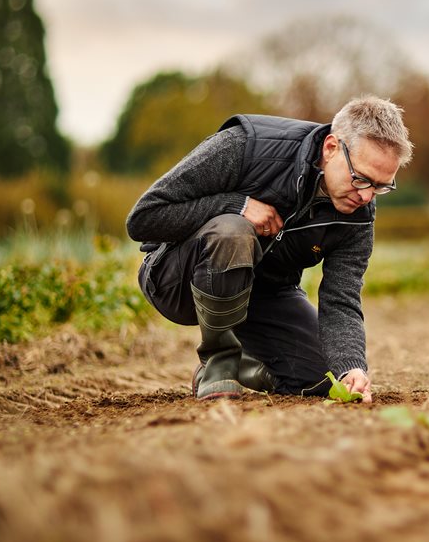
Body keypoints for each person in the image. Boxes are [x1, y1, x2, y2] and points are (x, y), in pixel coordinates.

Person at [126, 95, 413, 402]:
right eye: (361, 179)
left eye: (381, 186)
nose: (367, 196)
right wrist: (238, 205)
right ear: (331, 148)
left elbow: (340, 298)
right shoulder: (245, 146)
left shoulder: (358, 216)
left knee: (324, 380)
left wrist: (351, 368)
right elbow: (143, 218)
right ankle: (218, 363)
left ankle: (240, 366)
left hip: (265, 293)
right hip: (176, 279)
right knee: (233, 231)